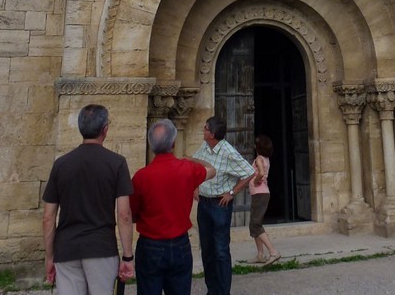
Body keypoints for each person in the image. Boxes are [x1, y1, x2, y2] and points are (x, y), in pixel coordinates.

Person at [42, 104, 134, 295]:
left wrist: (49, 257)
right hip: (101, 247)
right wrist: (127, 256)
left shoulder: (61, 164)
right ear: (105, 129)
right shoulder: (116, 163)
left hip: (67, 248)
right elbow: (124, 214)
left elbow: (48, 217)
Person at [130, 118, 217, 295]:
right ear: (174, 143)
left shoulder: (141, 177)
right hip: (179, 243)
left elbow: (133, 213)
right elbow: (212, 170)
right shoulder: (187, 168)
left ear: (151, 146)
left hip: (150, 244)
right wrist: (192, 159)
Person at [192, 116, 255, 295]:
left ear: (212, 134)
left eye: (205, 129)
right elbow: (195, 163)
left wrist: (232, 193)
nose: (203, 131)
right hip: (204, 203)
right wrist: (195, 186)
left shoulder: (228, 152)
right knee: (207, 250)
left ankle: (223, 292)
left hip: (219, 205)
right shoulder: (205, 147)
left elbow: (249, 172)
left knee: (220, 251)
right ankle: (212, 290)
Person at [248, 134, 280, 266]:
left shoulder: (259, 159)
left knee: (255, 224)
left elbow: (260, 173)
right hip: (262, 193)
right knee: (255, 224)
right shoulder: (266, 159)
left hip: (259, 193)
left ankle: (273, 252)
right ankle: (260, 255)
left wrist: (255, 181)